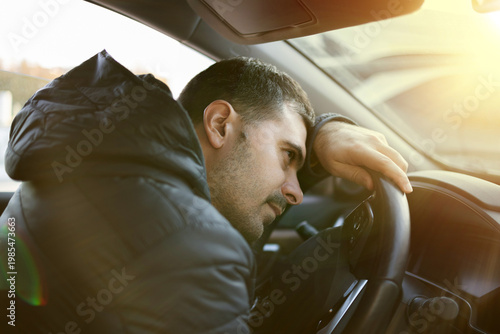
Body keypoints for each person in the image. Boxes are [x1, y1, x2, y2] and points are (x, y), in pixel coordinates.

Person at [0, 50, 411, 333]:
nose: (296, 193)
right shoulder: (195, 251)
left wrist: (324, 130)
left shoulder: (95, 166)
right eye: (288, 156)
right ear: (218, 125)